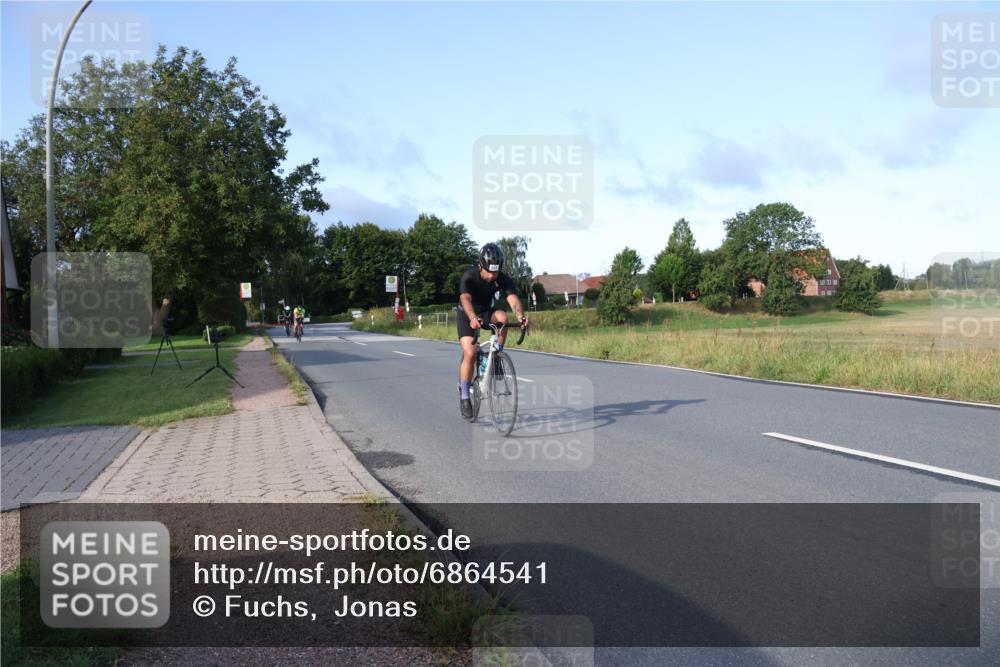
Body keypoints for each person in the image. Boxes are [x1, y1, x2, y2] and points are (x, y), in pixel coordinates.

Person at [456, 243, 529, 420]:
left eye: (495, 272)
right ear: (481, 266)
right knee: (471, 352)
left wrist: (520, 316)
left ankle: (496, 356)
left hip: (486, 312)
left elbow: (513, 300)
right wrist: (473, 317)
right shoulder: (469, 276)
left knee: (503, 317)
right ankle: (465, 396)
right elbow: (465, 299)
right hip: (467, 314)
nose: (491, 276)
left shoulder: (502, 278)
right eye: (489, 271)